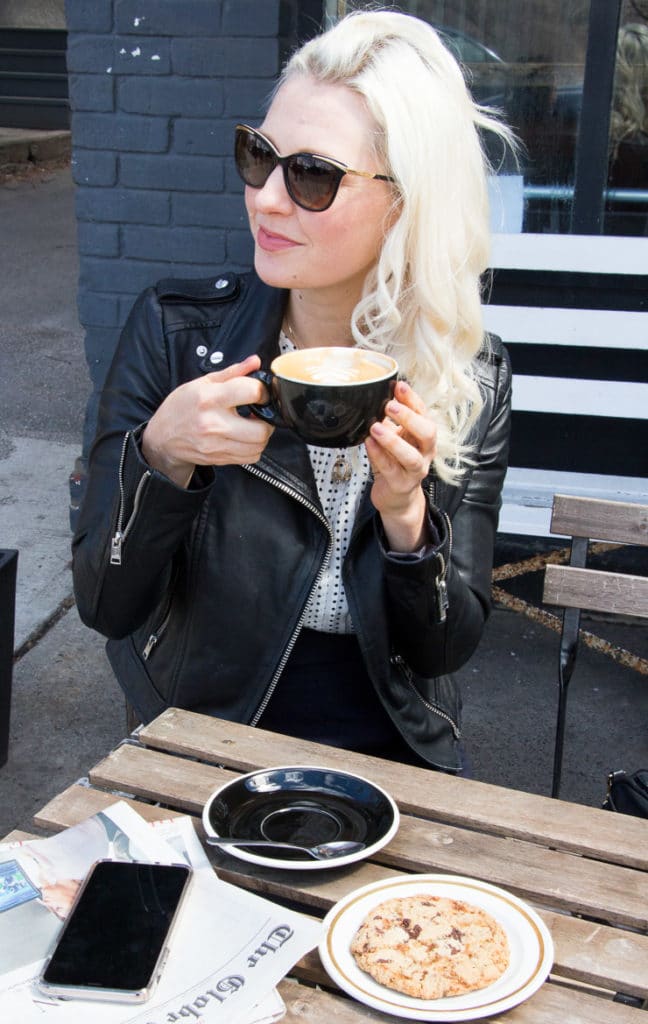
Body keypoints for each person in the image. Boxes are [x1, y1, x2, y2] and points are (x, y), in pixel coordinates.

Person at [72, 10, 513, 774]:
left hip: (392, 744)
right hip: (203, 728)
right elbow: (105, 604)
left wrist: (408, 517)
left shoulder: (464, 372)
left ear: (406, 202)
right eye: (259, 156)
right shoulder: (178, 337)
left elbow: (445, 647)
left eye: (312, 175)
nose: (267, 198)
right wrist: (162, 456)